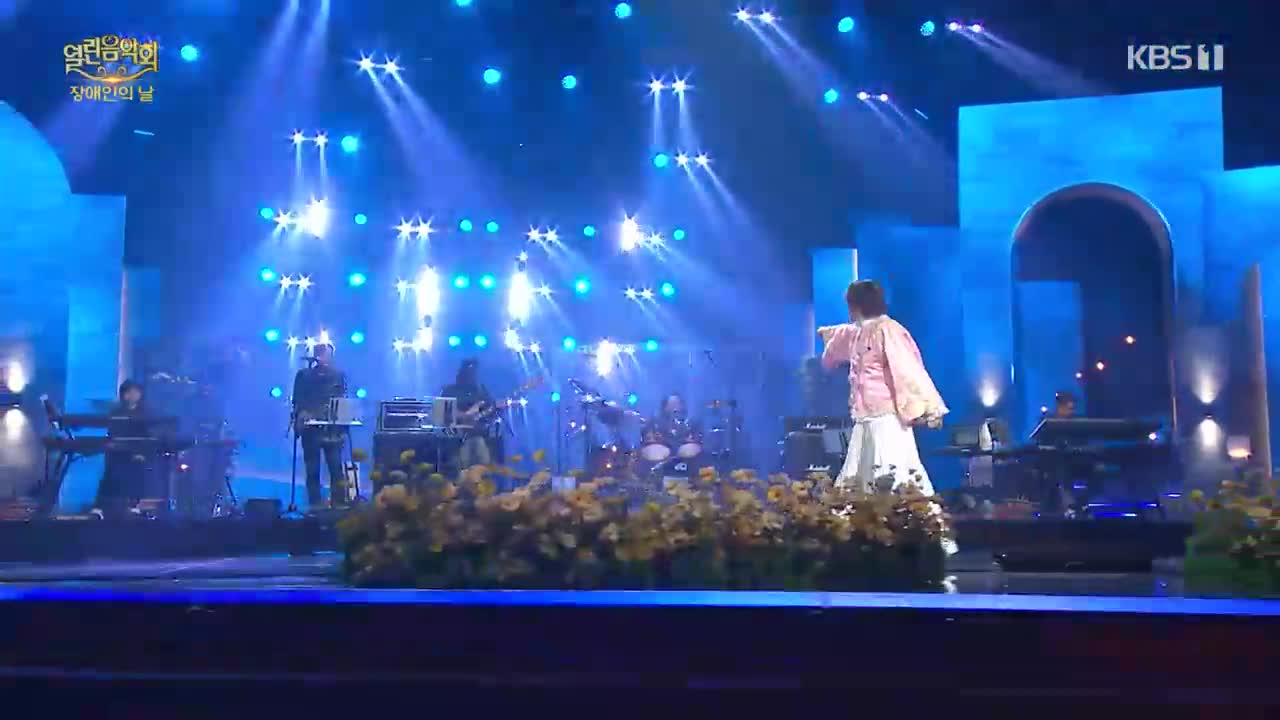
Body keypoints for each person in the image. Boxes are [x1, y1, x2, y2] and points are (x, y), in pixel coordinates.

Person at [818, 280, 948, 495]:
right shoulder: (858, 332)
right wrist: (826, 333)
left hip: (887, 419)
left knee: (892, 474)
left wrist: (928, 407)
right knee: (860, 477)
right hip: (864, 419)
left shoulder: (888, 330)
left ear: (857, 304)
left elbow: (907, 369)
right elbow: (841, 335)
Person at [292, 343, 349, 509]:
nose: (325, 358)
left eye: (328, 355)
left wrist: (343, 424)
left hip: (332, 428)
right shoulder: (304, 375)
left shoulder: (338, 375)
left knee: (335, 466)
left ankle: (339, 501)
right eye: (322, 354)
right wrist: (302, 414)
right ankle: (315, 503)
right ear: (316, 355)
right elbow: (297, 399)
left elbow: (342, 398)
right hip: (311, 429)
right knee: (312, 468)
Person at [95, 380, 150, 514]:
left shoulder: (145, 413)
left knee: (137, 472)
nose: (133, 395)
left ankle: (135, 506)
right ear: (124, 395)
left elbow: (147, 435)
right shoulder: (116, 412)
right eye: (129, 392)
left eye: (136, 392)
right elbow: (112, 432)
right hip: (118, 451)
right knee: (110, 473)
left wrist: (140, 451)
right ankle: (99, 507)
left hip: (137, 451)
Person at [442, 359, 495, 469]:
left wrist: (493, 409)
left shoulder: (481, 390)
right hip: (455, 438)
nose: (472, 375)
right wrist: (463, 415)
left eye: (474, 372)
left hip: (477, 434)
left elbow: (490, 409)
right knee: (462, 464)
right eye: (469, 371)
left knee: (483, 462)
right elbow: (443, 411)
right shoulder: (450, 390)